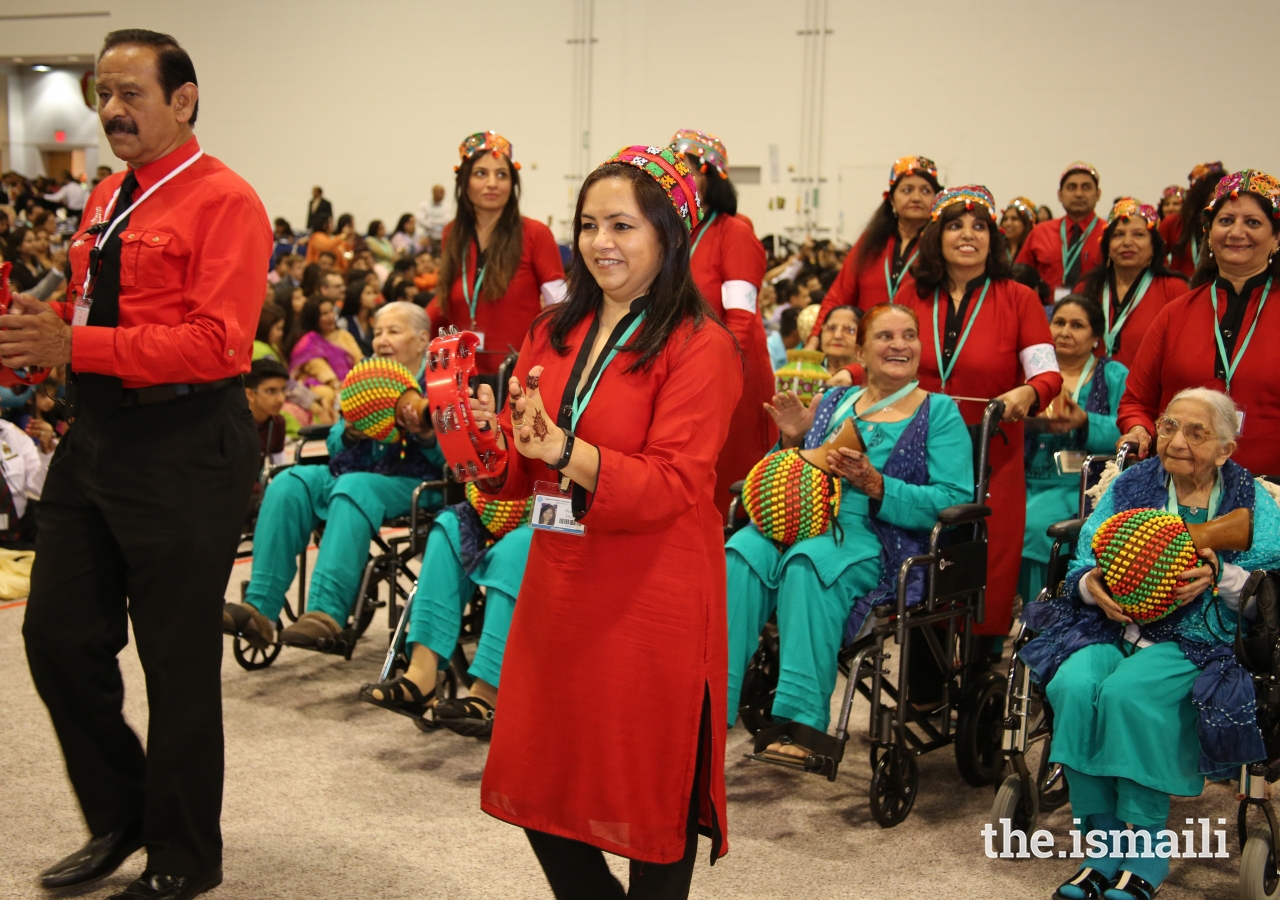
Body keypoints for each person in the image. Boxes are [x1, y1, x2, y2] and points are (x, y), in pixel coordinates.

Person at [8, 30, 268, 900]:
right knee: (54, 635)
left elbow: (217, 344)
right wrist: (41, 346)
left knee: (174, 655)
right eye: (101, 94)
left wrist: (74, 341)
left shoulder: (225, 199)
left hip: (188, 445)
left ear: (183, 101)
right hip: (100, 435)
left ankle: (185, 853)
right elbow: (94, 311)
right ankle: (125, 810)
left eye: (131, 94)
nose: (112, 110)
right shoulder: (107, 197)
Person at [467, 144, 742, 898]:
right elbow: (521, 470)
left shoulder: (702, 345)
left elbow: (673, 483)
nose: (600, 242)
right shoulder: (552, 330)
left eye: (622, 225)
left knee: (651, 794)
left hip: (654, 586)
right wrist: (482, 435)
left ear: (668, 235)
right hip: (562, 576)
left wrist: (565, 446)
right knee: (540, 775)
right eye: (589, 224)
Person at [1019, 388, 1280, 900]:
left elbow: (1267, 589)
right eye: (1167, 426)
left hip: (1202, 635)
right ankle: (1101, 851)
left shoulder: (1250, 499)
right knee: (1074, 683)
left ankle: (1145, 854)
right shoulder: (1130, 483)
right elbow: (1079, 564)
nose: (1177, 441)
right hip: (1113, 625)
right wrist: (1093, 585)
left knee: (1128, 695)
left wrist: (1218, 574)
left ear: (1227, 449)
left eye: (1196, 432)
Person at [726, 304, 973, 758]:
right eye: (885, 336)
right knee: (740, 551)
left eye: (909, 335)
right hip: (806, 520)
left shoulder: (939, 413)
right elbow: (801, 473)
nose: (899, 344)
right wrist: (792, 440)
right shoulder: (837, 402)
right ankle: (707, 707)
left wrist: (877, 484)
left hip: (880, 537)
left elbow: (954, 498)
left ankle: (800, 726)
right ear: (861, 349)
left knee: (810, 564)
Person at [224, 302, 444, 651]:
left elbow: (455, 458)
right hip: (356, 472)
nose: (382, 340)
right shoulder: (369, 376)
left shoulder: (439, 383)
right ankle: (260, 610)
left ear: (421, 340)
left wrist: (428, 434)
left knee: (352, 486)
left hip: (417, 482)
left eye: (393, 331)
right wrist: (351, 433)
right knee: (289, 482)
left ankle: (326, 613)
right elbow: (335, 439)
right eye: (377, 332)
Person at [899, 185, 1063, 646]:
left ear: (994, 238)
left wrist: (1026, 392)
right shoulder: (913, 294)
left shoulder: (1019, 299)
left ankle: (977, 668)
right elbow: (880, 355)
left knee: (987, 558)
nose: (967, 235)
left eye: (978, 226)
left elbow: (1049, 377)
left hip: (992, 449)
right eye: (955, 225)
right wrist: (846, 375)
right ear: (937, 236)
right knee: (921, 550)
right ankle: (924, 676)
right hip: (919, 445)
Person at [1119, 169, 1280, 475]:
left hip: (1273, 495)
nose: (1236, 232)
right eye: (1226, 221)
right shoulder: (1175, 313)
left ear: (1276, 237)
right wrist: (1139, 429)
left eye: (1253, 222)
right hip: (1179, 491)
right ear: (1209, 233)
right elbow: (1136, 401)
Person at [359, 483, 533, 739]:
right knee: (447, 526)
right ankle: (421, 676)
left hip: (564, 509)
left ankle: (488, 693)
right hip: (506, 497)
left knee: (513, 550)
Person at [671, 128, 776, 518]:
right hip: (680, 371)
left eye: (689, 170)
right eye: (673, 171)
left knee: (724, 482)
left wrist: (716, 378)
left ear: (711, 178)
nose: (680, 179)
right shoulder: (673, 231)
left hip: (731, 375)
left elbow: (741, 322)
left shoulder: (734, 232)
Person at [429, 131, 566, 376]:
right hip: (461, 374)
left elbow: (561, 306)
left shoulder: (536, 234)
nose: (492, 183)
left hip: (518, 376)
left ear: (511, 183)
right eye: (481, 173)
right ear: (464, 181)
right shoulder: (452, 233)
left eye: (501, 174)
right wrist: (406, 322)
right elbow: (444, 302)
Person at [1019, 295, 1127, 603]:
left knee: (1035, 524)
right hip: (1021, 477)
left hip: (1080, 485)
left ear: (1096, 338)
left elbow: (1130, 433)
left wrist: (1084, 422)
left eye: (1077, 325)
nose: (1065, 331)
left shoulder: (1113, 375)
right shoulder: (1031, 373)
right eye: (1059, 322)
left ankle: (1039, 619)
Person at [808, 156, 941, 336]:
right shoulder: (871, 242)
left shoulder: (942, 246)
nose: (916, 197)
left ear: (936, 200)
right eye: (907, 190)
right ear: (892, 199)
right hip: (868, 346)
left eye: (925, 191)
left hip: (918, 346)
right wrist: (815, 337)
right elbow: (838, 296)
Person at [1075, 197, 1187, 368]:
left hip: (1149, 390)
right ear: (1107, 245)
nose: (1127, 242)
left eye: (1138, 235)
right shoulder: (1087, 287)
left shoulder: (1174, 289)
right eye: (1118, 235)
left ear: (1153, 246)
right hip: (1089, 387)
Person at [1016, 162, 1105, 299]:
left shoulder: (1110, 233)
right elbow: (1018, 279)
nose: (1079, 194)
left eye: (1086, 187)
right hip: (1045, 313)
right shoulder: (1040, 232)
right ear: (1059, 195)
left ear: (1098, 194)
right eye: (1071, 187)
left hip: (1096, 314)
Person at [1160, 161, 1227, 279]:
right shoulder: (1173, 223)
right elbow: (1156, 256)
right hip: (1181, 291)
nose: (1218, 195)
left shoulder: (1228, 225)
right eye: (1213, 190)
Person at [244, 357, 287, 470]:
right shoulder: (234, 426)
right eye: (271, 391)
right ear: (250, 395)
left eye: (283, 390)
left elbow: (279, 469)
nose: (281, 399)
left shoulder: (277, 423)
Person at [341, 278, 380, 357]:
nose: (374, 297)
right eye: (368, 293)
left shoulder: (375, 320)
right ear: (357, 297)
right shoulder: (345, 323)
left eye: (373, 293)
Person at [1001, 196, 1038, 262]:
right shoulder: (996, 249)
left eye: (1014, 219)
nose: (1008, 223)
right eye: (1005, 219)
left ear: (1025, 224)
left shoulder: (1034, 249)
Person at [417, 183, 451, 250]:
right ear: (433, 192)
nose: (443, 194)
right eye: (440, 192)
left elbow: (447, 221)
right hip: (428, 238)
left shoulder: (447, 207)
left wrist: (430, 221)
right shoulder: (424, 206)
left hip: (441, 238)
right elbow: (420, 220)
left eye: (443, 192)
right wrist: (439, 224)